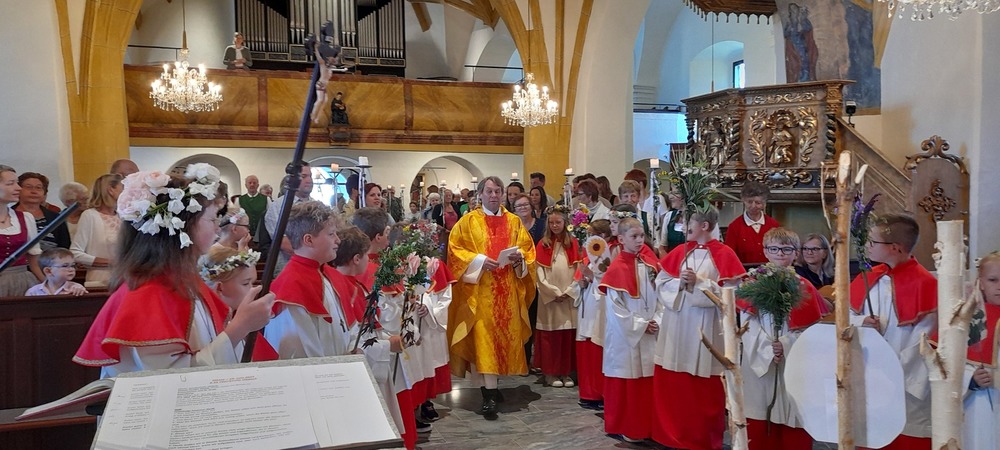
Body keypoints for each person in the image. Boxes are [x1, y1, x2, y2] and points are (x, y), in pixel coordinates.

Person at [73, 164, 274, 377]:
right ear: (182, 226)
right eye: (212, 218)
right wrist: (241, 327)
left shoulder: (184, 280)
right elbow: (172, 378)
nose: (217, 227)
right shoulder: (149, 294)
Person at [653, 206, 746, 450]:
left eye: (688, 223)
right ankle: (672, 434)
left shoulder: (724, 253)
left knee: (704, 383)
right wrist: (678, 283)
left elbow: (732, 294)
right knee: (675, 382)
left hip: (707, 326)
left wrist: (700, 284)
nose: (683, 227)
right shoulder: (680, 251)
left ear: (704, 226)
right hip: (677, 324)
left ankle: (701, 437)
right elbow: (661, 282)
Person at [447, 176, 536, 420]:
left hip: (508, 292)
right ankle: (488, 395)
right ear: (480, 194)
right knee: (485, 340)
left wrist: (519, 259)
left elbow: (528, 251)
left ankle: (493, 385)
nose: (494, 195)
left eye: (498, 191)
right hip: (481, 293)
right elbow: (455, 250)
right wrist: (478, 261)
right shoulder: (468, 222)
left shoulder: (514, 221)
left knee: (503, 340)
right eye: (489, 191)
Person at [850, 213, 937, 450]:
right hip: (869, 376)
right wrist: (862, 321)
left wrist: (890, 371)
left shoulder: (925, 284)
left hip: (904, 384)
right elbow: (846, 317)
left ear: (895, 248)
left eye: (873, 241)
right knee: (871, 434)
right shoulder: (869, 278)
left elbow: (925, 342)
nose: (867, 246)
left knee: (905, 436)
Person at [739, 228, 823, 450]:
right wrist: (767, 348)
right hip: (759, 359)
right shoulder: (752, 283)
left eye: (786, 249)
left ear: (796, 253)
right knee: (760, 411)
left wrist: (785, 344)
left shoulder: (804, 286)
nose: (780, 254)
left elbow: (811, 329)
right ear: (765, 251)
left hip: (792, 360)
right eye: (774, 248)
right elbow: (746, 324)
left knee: (792, 411)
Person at [261, 200, 364, 359]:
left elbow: (346, 327)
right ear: (308, 240)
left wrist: (352, 350)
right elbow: (299, 357)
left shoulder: (328, 275)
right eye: (331, 234)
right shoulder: (291, 289)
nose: (338, 240)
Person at [598, 217, 662, 443]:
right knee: (628, 379)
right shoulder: (616, 269)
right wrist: (641, 325)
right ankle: (629, 427)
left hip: (651, 331)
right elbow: (615, 309)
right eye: (634, 236)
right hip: (626, 336)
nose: (639, 240)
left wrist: (658, 320)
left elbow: (661, 298)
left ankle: (648, 427)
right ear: (621, 239)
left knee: (648, 381)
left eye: (642, 236)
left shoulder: (650, 265)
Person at [534, 206, 581, 387]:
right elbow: (539, 273)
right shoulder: (543, 244)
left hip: (568, 297)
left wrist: (570, 291)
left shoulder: (573, 243)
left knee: (567, 336)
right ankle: (551, 373)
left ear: (565, 223)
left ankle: (567, 372)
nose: (555, 226)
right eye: (551, 222)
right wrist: (553, 292)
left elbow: (578, 270)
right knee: (551, 338)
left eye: (558, 222)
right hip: (551, 300)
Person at [963, 252, 1000, 450]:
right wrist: (970, 379)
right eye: (993, 280)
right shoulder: (970, 318)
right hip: (979, 402)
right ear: (981, 282)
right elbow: (945, 362)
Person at [198, 246, 264, 356]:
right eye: (245, 283)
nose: (252, 290)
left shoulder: (236, 319)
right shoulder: (204, 326)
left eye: (252, 283)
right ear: (220, 288)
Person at [575, 218, 611, 410]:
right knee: (586, 350)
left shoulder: (608, 253)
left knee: (596, 348)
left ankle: (598, 393)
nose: (589, 239)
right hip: (587, 305)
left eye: (593, 235)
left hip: (598, 306)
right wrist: (581, 281)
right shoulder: (590, 254)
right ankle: (587, 393)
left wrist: (592, 277)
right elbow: (581, 279)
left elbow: (607, 280)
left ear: (603, 236)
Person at [70, 173, 123, 288]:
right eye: (123, 188)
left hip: (124, 278)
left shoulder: (122, 216)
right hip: (100, 279)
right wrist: (111, 262)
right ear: (111, 190)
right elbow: (75, 253)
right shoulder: (90, 215)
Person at [0, 165, 44, 296]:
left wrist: (48, 284)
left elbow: (34, 260)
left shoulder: (25, 218)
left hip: (23, 282)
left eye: (17, 183)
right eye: (10, 183)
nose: (18, 188)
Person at [263, 163, 314, 272]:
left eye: (310, 176)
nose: (309, 180)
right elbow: (283, 242)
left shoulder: (316, 205)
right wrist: (312, 257)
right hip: (288, 267)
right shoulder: (278, 206)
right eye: (304, 176)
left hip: (314, 265)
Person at [725, 181, 780, 266]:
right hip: (744, 271)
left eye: (758, 203)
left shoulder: (773, 225)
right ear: (743, 201)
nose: (753, 206)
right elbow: (729, 256)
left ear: (764, 203)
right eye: (750, 202)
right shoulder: (734, 227)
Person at [15, 172, 70, 251]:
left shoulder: (56, 217)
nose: (34, 191)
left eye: (38, 188)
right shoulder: (7, 215)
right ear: (18, 190)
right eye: (28, 187)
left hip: (51, 258)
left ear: (44, 193)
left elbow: (65, 247)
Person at [235, 175, 270, 241]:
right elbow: (236, 218)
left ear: (258, 185)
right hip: (245, 235)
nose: (252, 185)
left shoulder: (266, 199)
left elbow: (269, 217)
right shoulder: (239, 200)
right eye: (250, 183)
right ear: (246, 185)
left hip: (262, 235)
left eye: (254, 183)